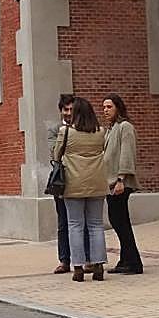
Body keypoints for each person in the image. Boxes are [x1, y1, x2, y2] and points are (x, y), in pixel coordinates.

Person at [56, 97, 108, 281]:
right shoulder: (101, 132)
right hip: (97, 182)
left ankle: (78, 267)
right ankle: (98, 265)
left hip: (73, 183)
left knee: (75, 225)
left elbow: (56, 154)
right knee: (96, 225)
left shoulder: (66, 132)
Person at [102, 94, 142, 275]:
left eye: (109, 107)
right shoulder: (110, 129)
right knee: (118, 221)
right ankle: (125, 259)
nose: (105, 110)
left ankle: (134, 262)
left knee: (120, 222)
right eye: (104, 107)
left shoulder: (125, 127)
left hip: (119, 183)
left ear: (118, 107)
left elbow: (126, 154)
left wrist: (121, 179)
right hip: (110, 183)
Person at [48, 94, 76, 274]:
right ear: (61, 111)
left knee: (82, 222)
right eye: (66, 109)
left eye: (72, 109)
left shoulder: (84, 127)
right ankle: (64, 260)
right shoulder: (55, 129)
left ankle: (85, 259)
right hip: (62, 181)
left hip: (80, 179)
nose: (69, 113)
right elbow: (54, 153)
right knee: (63, 222)